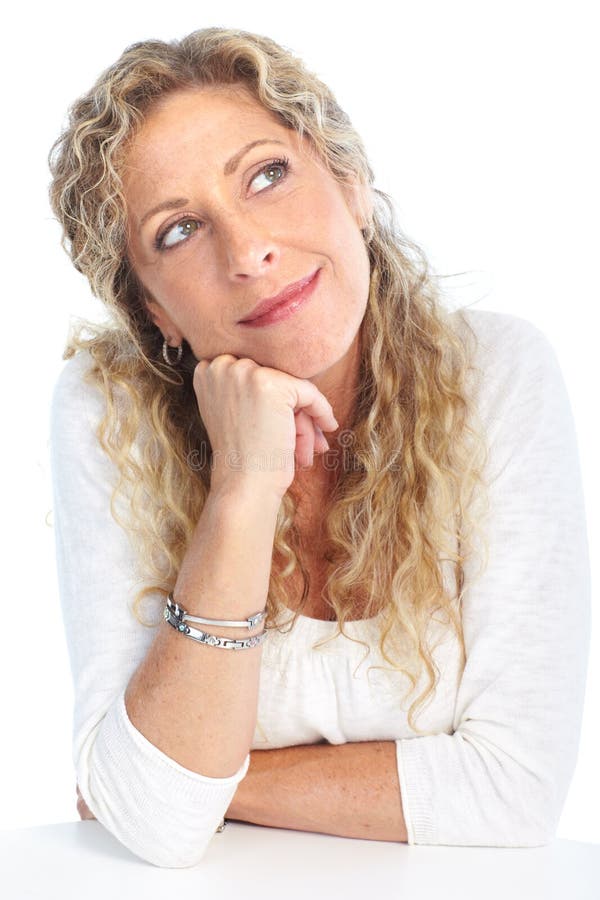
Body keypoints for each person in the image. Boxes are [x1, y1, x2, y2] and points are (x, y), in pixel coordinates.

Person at [48, 26, 591, 869]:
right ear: (155, 311)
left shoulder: (496, 374)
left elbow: (514, 788)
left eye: (267, 175)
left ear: (351, 181)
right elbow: (151, 828)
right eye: (179, 230)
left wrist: (210, 786)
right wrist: (242, 486)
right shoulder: (107, 410)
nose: (250, 251)